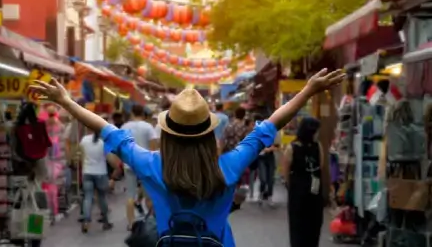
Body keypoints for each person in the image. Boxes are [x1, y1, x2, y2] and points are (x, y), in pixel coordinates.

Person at [30, 69, 344, 247]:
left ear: (168, 133)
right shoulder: (228, 167)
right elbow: (270, 126)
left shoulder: (153, 165)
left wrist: (67, 102)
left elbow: (108, 130)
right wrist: (308, 91)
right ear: (209, 133)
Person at [282, 117, 324, 247]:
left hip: (298, 192)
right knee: (314, 225)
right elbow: (321, 165)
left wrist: (292, 185)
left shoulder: (292, 147)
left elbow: (286, 171)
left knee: (298, 225)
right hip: (314, 192)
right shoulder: (318, 146)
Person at [122, 104, 157, 230]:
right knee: (149, 195)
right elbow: (153, 147)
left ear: (131, 112)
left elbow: (121, 146)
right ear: (143, 113)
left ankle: (131, 223)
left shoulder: (125, 127)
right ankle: (152, 220)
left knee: (130, 195)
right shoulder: (148, 127)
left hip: (129, 163)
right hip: (145, 164)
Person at [79, 128, 120, 233]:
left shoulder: (84, 140)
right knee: (101, 197)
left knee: (88, 197)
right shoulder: (103, 143)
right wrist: (116, 169)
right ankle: (106, 221)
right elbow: (111, 159)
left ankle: (86, 221)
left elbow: (82, 157)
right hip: (101, 173)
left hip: (87, 172)